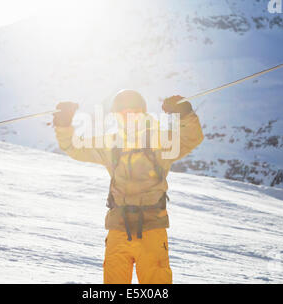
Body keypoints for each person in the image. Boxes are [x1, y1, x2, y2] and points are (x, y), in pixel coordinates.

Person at [52, 90, 203, 284]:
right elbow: (74, 147)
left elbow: (192, 138)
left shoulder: (161, 141)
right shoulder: (110, 143)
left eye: (135, 112)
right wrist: (64, 123)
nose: (129, 117)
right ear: (116, 116)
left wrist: (184, 113)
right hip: (118, 229)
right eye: (123, 113)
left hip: (152, 228)